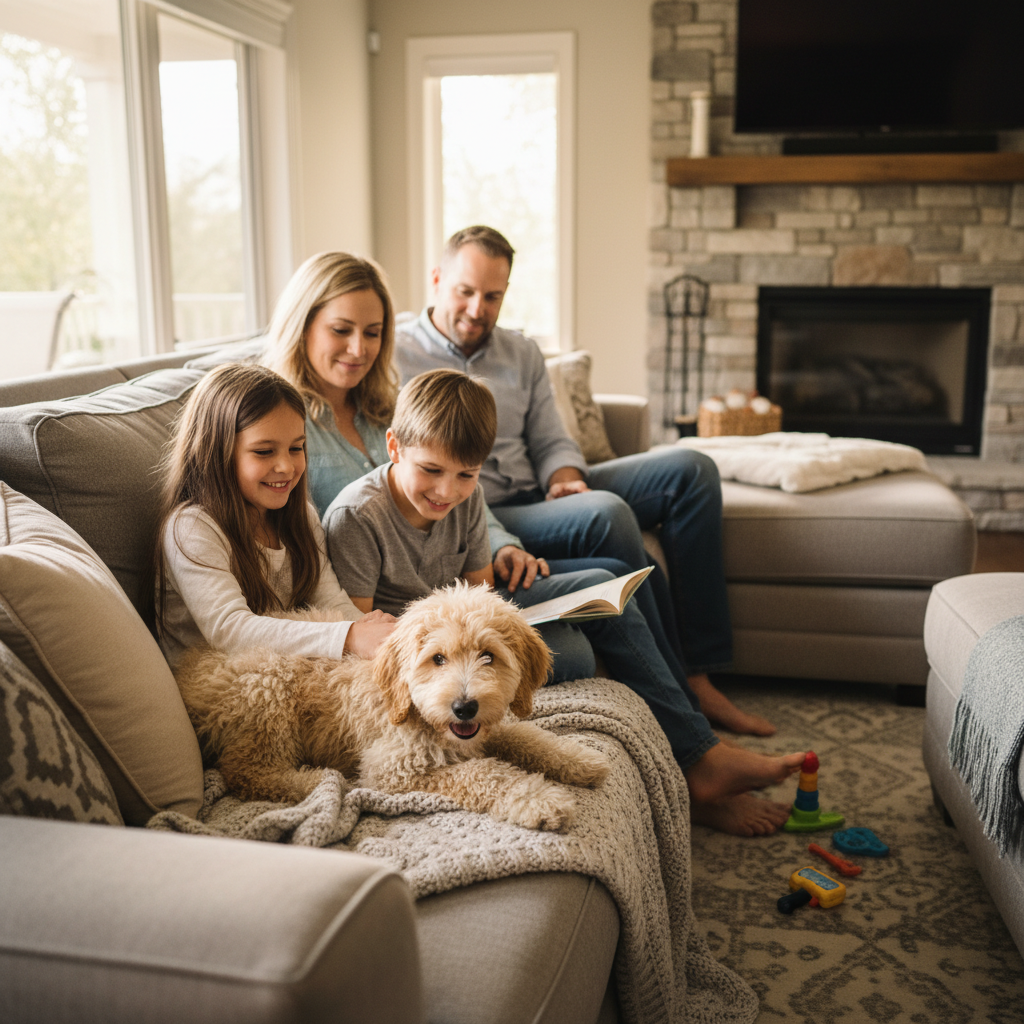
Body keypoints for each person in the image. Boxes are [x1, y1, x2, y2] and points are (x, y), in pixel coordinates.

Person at [323, 368, 804, 836]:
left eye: (466, 474)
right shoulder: (357, 515)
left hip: (469, 629)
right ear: (394, 447)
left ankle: (698, 744)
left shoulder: (466, 497)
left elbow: (482, 596)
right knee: (574, 651)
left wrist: (506, 590)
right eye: (430, 470)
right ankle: (700, 760)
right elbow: (367, 637)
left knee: (612, 581)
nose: (447, 491)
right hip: (428, 646)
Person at [394, 224, 774, 738]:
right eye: (465, 291)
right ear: (437, 280)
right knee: (607, 513)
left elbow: (551, 438)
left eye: (493, 296)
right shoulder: (396, 353)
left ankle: (699, 670)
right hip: (480, 506)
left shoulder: (521, 351)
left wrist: (567, 479)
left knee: (691, 470)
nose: (478, 308)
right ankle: (684, 691)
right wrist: (502, 537)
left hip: (541, 494)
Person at [155, 362, 397, 671]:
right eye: (264, 451)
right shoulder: (192, 527)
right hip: (213, 680)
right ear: (215, 453)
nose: (286, 466)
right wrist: (349, 636)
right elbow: (229, 629)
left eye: (296, 448)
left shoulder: (300, 516)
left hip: (281, 670)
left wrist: (372, 631)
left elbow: (331, 602)